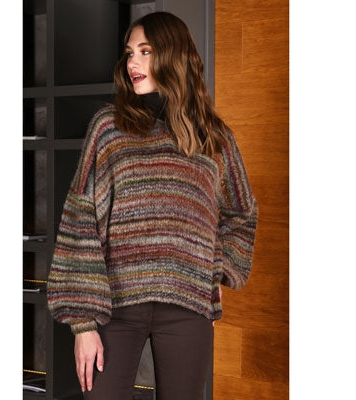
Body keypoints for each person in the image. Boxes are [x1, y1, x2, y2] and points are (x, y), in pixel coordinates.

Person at [46, 11, 258, 400]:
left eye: (145, 52)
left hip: (187, 307)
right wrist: (83, 324)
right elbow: (80, 219)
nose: (133, 62)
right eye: (130, 53)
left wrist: (218, 270)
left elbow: (241, 214)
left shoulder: (213, 138)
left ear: (174, 56)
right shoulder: (108, 128)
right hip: (115, 308)